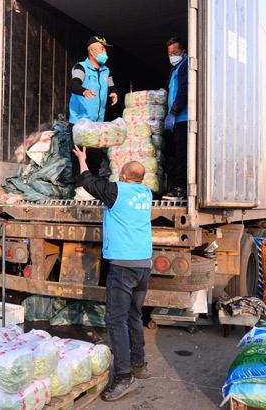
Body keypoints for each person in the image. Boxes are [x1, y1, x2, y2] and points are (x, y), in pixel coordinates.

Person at [73, 145, 152, 401]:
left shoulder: (118, 191)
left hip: (123, 266)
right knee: (133, 315)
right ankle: (139, 365)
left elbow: (88, 182)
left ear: (125, 177)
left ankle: (123, 376)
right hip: (143, 266)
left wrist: (83, 161)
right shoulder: (146, 192)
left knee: (115, 321)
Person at [68, 36, 119, 182]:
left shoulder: (106, 70)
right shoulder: (81, 67)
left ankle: (93, 189)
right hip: (80, 123)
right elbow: (74, 84)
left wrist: (114, 93)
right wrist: (83, 90)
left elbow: (111, 85)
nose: (105, 52)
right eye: (102, 49)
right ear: (92, 51)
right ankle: (79, 190)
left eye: (105, 49)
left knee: (95, 158)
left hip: (97, 124)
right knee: (80, 157)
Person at [163, 36, 188, 200]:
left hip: (183, 118)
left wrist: (174, 111)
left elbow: (184, 91)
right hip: (176, 120)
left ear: (183, 51)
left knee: (182, 154)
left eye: (175, 52)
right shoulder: (175, 69)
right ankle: (177, 187)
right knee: (176, 153)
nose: (172, 55)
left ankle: (180, 189)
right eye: (169, 53)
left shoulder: (185, 66)